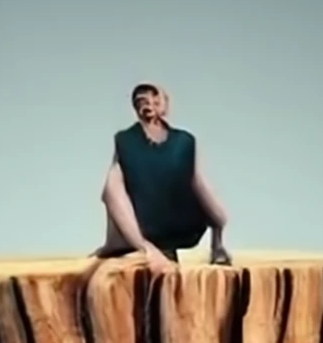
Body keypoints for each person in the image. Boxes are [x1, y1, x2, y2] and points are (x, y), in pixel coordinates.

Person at [92, 83, 232, 274]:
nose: (148, 104)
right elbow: (112, 190)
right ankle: (143, 247)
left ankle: (216, 245)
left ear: (164, 103)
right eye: (142, 101)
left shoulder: (183, 141)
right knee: (113, 189)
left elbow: (197, 181)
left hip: (176, 217)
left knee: (211, 204)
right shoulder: (127, 140)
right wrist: (142, 246)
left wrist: (218, 221)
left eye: (154, 99)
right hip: (141, 220)